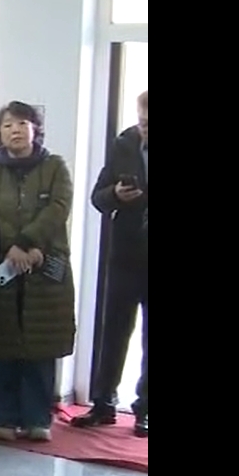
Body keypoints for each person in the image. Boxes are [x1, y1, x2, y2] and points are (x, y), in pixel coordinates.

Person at [0, 101, 77, 441]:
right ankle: (4, 418)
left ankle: (38, 418)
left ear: (35, 129)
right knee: (3, 341)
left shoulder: (55, 166)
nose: (15, 130)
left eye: (22, 123)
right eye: (7, 125)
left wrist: (31, 244)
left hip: (46, 263)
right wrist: (13, 246)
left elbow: (59, 207)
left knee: (41, 344)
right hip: (4, 261)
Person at [72, 90, 148, 437]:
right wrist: (116, 194)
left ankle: (145, 409)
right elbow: (97, 198)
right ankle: (103, 403)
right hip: (125, 254)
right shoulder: (124, 144)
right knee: (113, 330)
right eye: (143, 122)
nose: (145, 129)